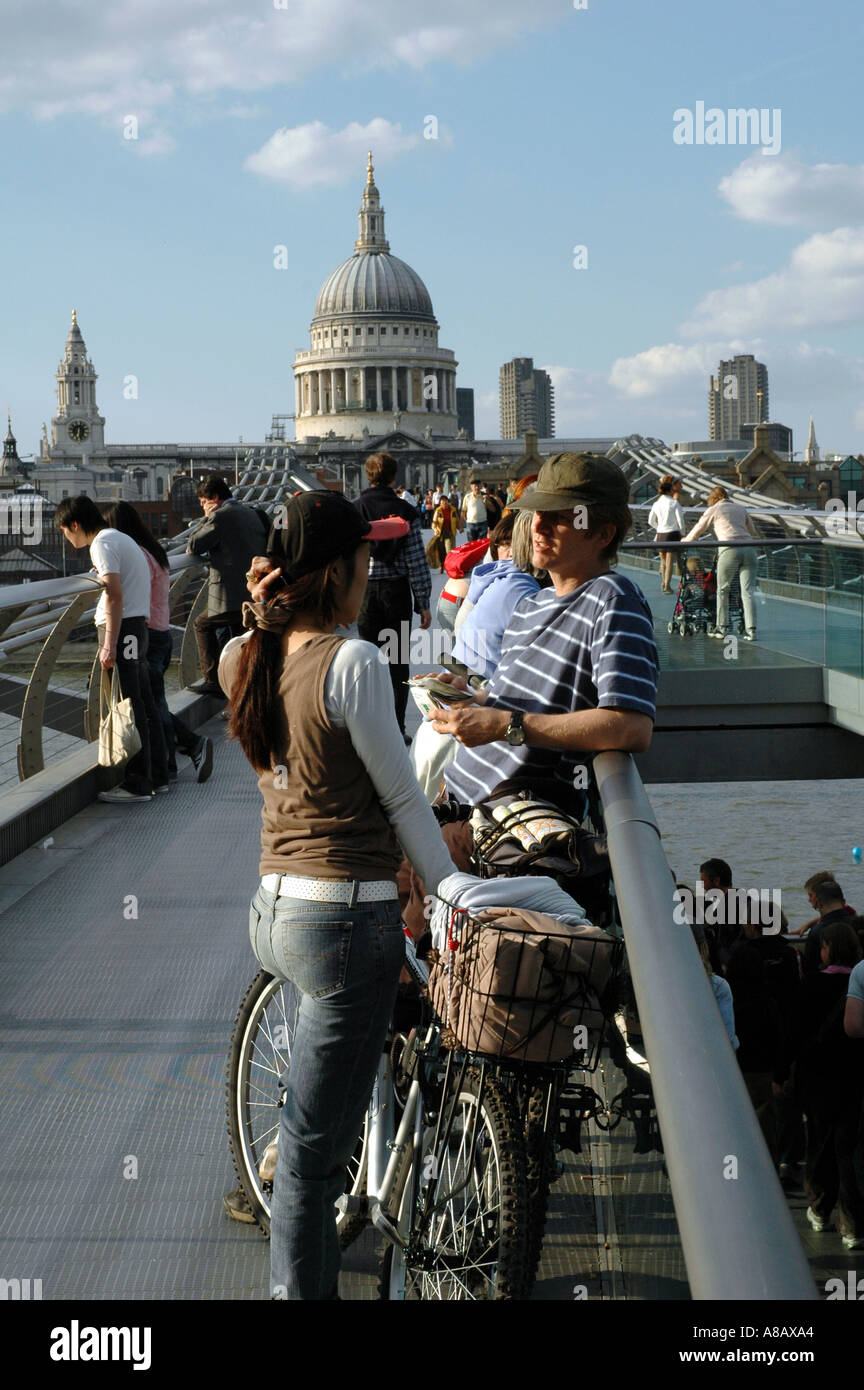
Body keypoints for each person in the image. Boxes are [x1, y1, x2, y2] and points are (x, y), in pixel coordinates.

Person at [217, 491, 463, 1299]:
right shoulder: (351, 664)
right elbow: (402, 801)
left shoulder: (243, 660)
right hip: (345, 921)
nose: (378, 567)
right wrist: (452, 892)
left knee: (317, 1118)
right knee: (313, 1157)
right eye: (369, 555)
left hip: (273, 913)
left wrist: (257, 611)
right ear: (341, 570)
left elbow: (247, 647)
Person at [429, 454, 659, 813]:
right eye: (538, 513)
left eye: (560, 519)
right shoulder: (531, 604)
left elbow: (630, 727)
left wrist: (506, 726)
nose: (539, 528)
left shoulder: (613, 602)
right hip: (454, 796)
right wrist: (474, 700)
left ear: (603, 533)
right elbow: (516, 703)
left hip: (500, 821)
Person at [56, 495, 169, 803]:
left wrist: (108, 645)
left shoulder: (102, 544)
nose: (66, 538)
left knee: (129, 706)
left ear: (75, 525)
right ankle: (157, 774)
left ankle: (137, 783)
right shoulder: (120, 539)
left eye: (64, 531)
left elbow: (115, 596)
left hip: (123, 630)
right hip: (137, 626)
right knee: (142, 704)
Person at [103, 502, 213, 784]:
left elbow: (120, 592)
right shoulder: (154, 552)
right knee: (154, 701)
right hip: (161, 633)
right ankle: (169, 765)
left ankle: (189, 745)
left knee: (149, 704)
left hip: (146, 632)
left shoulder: (134, 554)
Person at [354, 452, 431, 739]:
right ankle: (397, 728)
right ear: (394, 477)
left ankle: (372, 731)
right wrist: (423, 602)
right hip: (396, 593)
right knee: (397, 662)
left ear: (368, 475)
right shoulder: (405, 512)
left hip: (364, 593)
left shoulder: (355, 510)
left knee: (368, 662)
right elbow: (416, 561)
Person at [796, 921, 864, 1248]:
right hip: (855, 1074)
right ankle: (851, 1224)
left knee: (819, 1143)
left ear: (828, 949)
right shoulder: (860, 978)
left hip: (819, 1076)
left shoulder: (810, 984)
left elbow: (797, 1033)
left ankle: (820, 1209)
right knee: (848, 1149)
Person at [186, 475, 269, 696]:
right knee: (241, 642)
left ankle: (213, 680)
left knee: (201, 624)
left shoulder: (220, 516)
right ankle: (241, 687)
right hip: (254, 592)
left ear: (214, 497)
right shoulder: (252, 513)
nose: (203, 507)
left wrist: (208, 517)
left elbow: (194, 544)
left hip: (230, 597)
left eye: (203, 502)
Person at [450, 511, 543, 681]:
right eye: (505, 544)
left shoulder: (493, 579)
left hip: (465, 678)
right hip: (478, 687)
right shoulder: (520, 589)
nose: (511, 552)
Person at [682, 486, 758, 640]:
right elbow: (753, 531)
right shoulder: (740, 508)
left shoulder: (715, 509)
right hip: (749, 549)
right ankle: (751, 631)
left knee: (723, 589)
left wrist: (685, 541)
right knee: (748, 591)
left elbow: (698, 530)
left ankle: (721, 628)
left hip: (729, 549)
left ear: (713, 498)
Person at [790, 870, 857, 938]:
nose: (809, 900)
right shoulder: (851, 916)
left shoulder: (818, 931)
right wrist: (809, 924)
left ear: (820, 896)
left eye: (810, 895)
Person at [648, 478, 685, 594]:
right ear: (670, 491)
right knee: (669, 562)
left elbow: (650, 521)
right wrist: (683, 534)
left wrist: (658, 527)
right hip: (672, 534)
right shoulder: (674, 503)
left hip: (660, 534)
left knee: (663, 561)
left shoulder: (656, 503)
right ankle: (667, 586)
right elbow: (680, 521)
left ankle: (663, 582)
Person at [426, 493, 460, 572]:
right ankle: (442, 566)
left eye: (445, 501)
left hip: (450, 533)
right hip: (440, 533)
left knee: (449, 550)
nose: (444, 503)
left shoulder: (453, 510)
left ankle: (449, 567)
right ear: (440, 503)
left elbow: (457, 520)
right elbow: (434, 522)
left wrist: (460, 527)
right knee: (441, 551)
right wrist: (435, 529)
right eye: (442, 502)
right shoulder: (438, 511)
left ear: (448, 501)